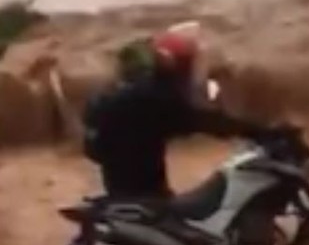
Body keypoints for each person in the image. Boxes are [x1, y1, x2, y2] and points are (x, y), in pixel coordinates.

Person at [81, 21, 277, 201]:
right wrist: (259, 131)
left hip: (121, 185)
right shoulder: (160, 98)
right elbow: (206, 121)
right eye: (188, 63)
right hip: (143, 193)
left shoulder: (142, 91)